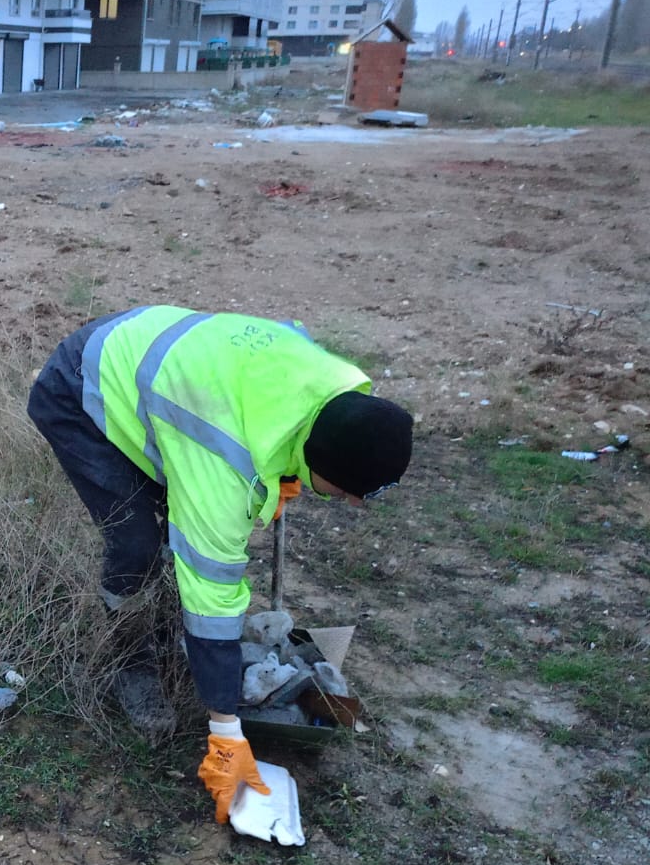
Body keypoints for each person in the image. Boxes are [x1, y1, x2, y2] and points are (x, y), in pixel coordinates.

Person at [27, 306, 413, 823]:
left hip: (167, 367)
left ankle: (167, 626)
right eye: (345, 491)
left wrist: (287, 471)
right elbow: (213, 592)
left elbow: (288, 335)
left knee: (173, 528)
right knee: (137, 542)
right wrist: (227, 733)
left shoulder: (330, 387)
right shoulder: (225, 459)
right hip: (83, 389)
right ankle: (129, 656)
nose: (352, 503)